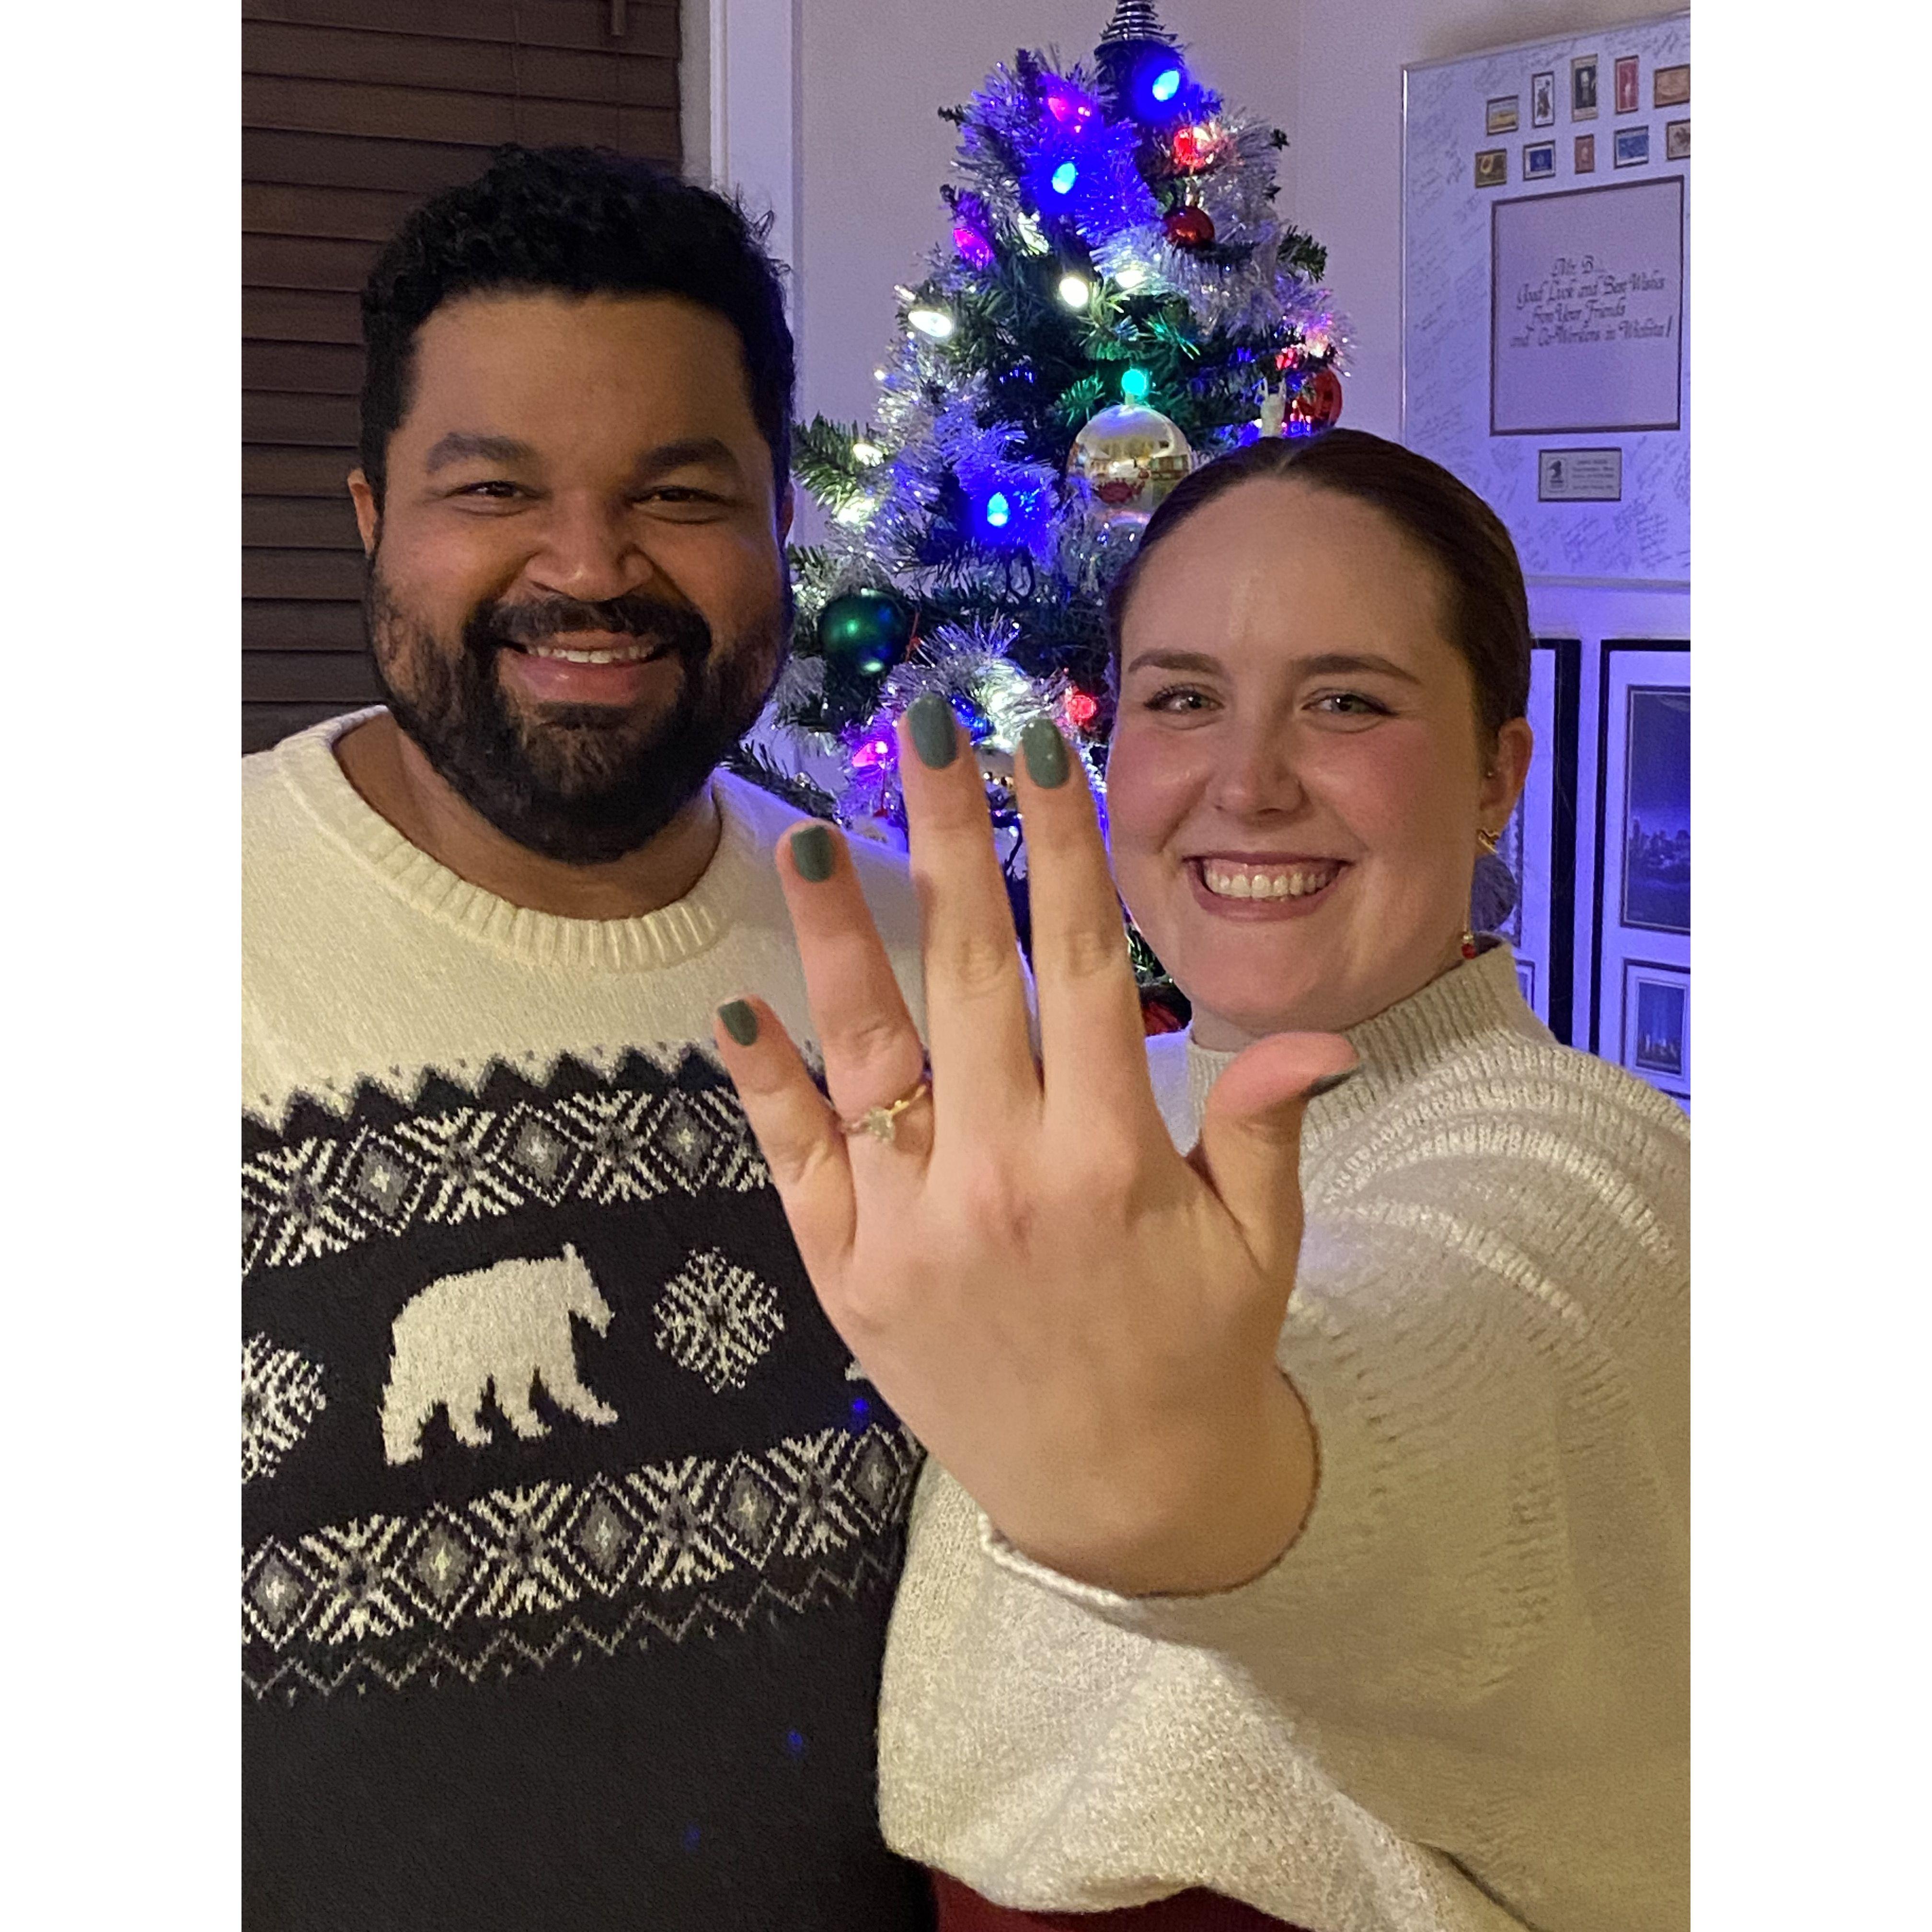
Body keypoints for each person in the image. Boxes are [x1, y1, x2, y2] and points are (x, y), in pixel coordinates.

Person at [712, 432, 1688, 1931]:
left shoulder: (1593, 1169)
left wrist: (1195, 1480)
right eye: (1182, 699)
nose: (1248, 782)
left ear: (1499, 772)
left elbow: (1453, 1342)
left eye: (1347, 701)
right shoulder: (1071, 1122)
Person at [242, 146, 936, 1930]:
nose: (588, 568)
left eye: (678, 495)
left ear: (780, 521)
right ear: (371, 517)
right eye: (494, 489)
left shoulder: (924, 959)